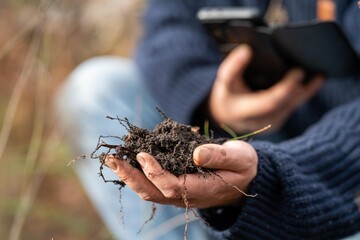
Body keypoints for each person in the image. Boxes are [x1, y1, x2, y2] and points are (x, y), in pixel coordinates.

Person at [56, 0, 360, 239]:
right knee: (97, 89)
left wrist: (273, 173)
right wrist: (212, 102)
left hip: (341, 165)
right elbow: (169, 23)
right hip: (237, 134)